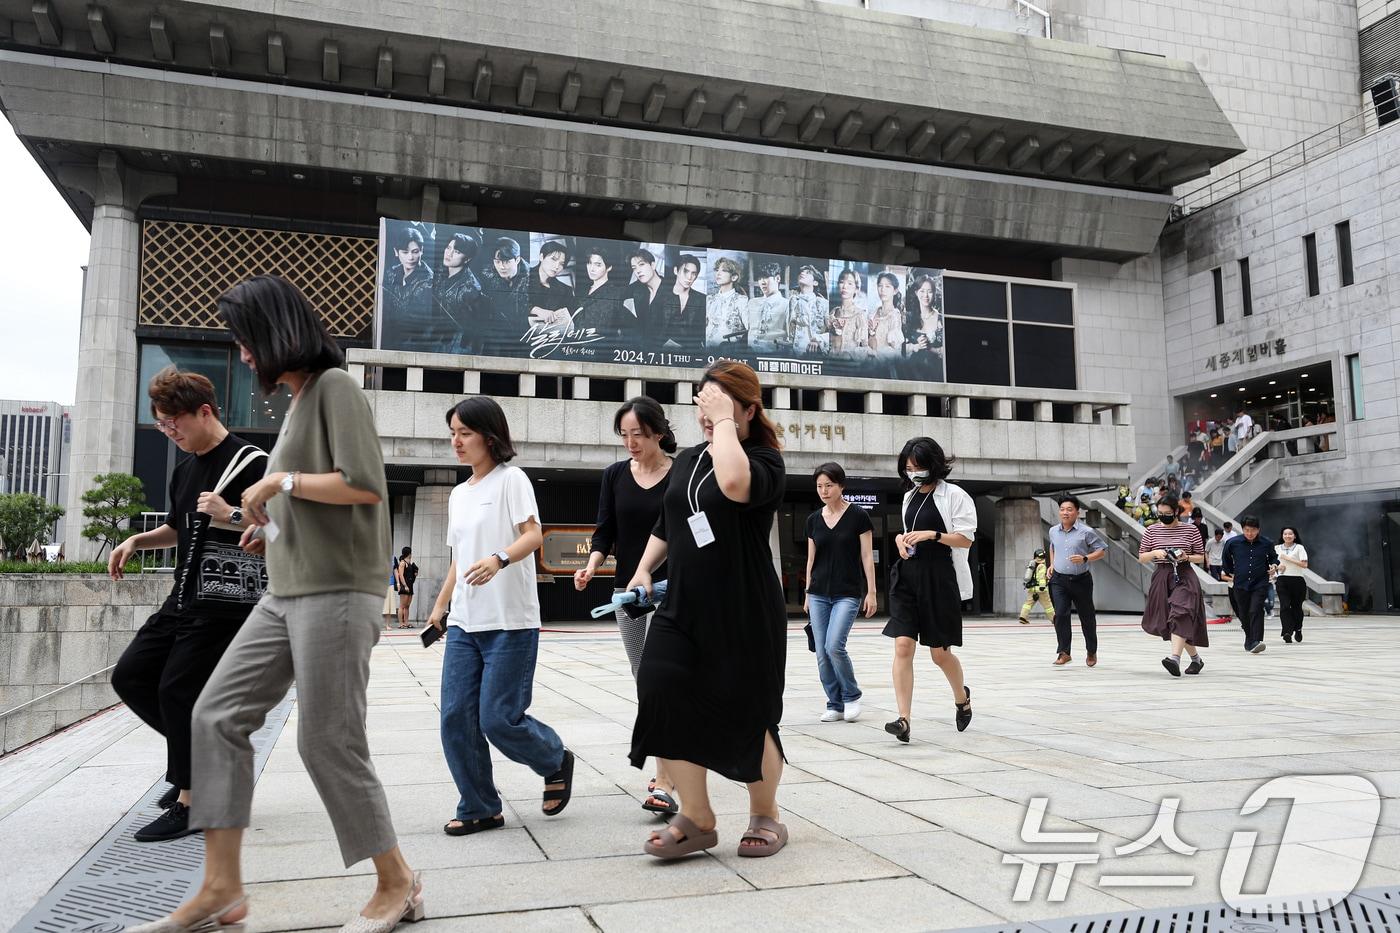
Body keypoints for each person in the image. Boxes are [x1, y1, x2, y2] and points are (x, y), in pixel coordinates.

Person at [134, 276, 421, 933]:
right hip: (286, 587)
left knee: (327, 741)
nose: (240, 354)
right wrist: (269, 524)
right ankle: (221, 888)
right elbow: (308, 501)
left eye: (243, 340)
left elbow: (363, 486)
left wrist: (278, 479)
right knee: (215, 715)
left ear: (274, 333)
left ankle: (397, 881)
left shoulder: (335, 389)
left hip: (338, 589)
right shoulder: (297, 402)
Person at [626, 360, 789, 859]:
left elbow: (736, 485)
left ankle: (765, 813)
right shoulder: (692, 458)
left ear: (748, 408)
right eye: (702, 402)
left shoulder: (764, 458)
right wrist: (643, 568)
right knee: (660, 688)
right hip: (684, 602)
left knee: (748, 707)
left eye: (716, 402)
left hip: (743, 605)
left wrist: (723, 424)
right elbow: (670, 520)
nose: (704, 411)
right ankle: (697, 816)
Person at [108, 367, 267, 843]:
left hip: (227, 600)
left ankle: (192, 799)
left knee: (178, 691)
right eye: (160, 424)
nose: (168, 432)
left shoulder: (252, 462)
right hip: (183, 596)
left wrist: (231, 513)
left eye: (173, 422)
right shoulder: (183, 469)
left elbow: (283, 530)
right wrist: (138, 539)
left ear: (205, 411)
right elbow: (179, 528)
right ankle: (206, 765)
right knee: (132, 676)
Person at [426, 397, 573, 837]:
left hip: (510, 621)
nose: (456, 441)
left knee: (498, 718)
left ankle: (554, 759)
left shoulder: (512, 481)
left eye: (464, 433)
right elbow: (459, 558)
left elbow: (533, 536)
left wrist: (499, 559)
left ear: (490, 437)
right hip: (464, 624)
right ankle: (479, 806)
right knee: (455, 717)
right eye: (452, 432)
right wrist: (440, 604)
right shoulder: (457, 493)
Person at [574, 397, 678, 814]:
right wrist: (591, 564)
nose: (631, 442)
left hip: (672, 591)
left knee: (659, 678)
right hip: (627, 594)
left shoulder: (680, 474)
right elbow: (606, 531)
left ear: (658, 432)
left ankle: (665, 778)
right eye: (624, 435)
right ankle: (674, 758)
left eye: (638, 434)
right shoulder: (615, 475)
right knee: (643, 680)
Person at [883, 436, 976, 743]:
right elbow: (910, 534)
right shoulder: (910, 497)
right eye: (909, 467)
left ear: (934, 464)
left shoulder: (955, 495)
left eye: (918, 466)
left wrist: (934, 535)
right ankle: (904, 719)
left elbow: (965, 539)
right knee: (902, 646)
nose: (913, 472)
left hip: (940, 577)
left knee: (939, 654)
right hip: (908, 576)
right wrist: (902, 540)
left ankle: (962, 698)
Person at [803, 462, 877, 723]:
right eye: (820, 486)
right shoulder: (813, 520)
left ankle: (851, 695)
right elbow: (811, 559)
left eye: (829, 485)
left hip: (847, 592)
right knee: (821, 651)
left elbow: (867, 557)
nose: (823, 490)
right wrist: (806, 593)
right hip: (819, 593)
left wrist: (872, 592)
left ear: (841, 486)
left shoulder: (858, 516)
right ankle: (834, 703)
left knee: (835, 646)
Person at [1138, 494, 1209, 677]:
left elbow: (1200, 556)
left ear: (1177, 512)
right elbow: (1142, 557)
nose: (1163, 516)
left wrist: (1185, 556)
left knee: (1180, 612)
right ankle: (1196, 660)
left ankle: (1174, 659)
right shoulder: (1151, 530)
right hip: (1161, 576)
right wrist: (1156, 552)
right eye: (1160, 513)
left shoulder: (1191, 530)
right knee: (1172, 620)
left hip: (1184, 575)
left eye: (1168, 513)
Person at [1047, 496, 1107, 667]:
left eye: (1069, 509)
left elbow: (1101, 550)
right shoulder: (1053, 531)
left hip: (1081, 580)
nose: (1065, 512)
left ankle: (1091, 650)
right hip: (1058, 580)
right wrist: (1052, 564)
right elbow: (1052, 547)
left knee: (1086, 617)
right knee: (1061, 615)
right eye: (1062, 509)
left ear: (1077, 512)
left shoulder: (1086, 531)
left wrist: (1085, 558)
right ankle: (1064, 652)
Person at [1221, 515, 1279, 654]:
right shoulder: (1233, 542)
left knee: (1255, 609)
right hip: (1240, 583)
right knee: (1243, 612)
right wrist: (1231, 572)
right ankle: (1249, 638)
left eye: (1253, 530)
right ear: (1242, 529)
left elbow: (1273, 557)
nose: (1250, 533)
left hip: (1260, 582)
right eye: (1247, 530)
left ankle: (1257, 640)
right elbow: (1226, 558)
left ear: (1258, 529)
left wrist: (1274, 565)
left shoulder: (1266, 542)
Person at [477, 236, 530, 355]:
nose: (501, 266)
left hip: (524, 339)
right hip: (496, 337)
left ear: (517, 259)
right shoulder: (486, 275)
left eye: (506, 261)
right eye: (497, 261)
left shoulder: (533, 278)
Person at [433, 231, 482, 352]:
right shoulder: (439, 272)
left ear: (467, 259)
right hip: (436, 336)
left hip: (458, 345)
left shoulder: (471, 287)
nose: (449, 254)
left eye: (456, 251)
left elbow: (471, 328)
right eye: (448, 248)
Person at [381, 226, 433, 329]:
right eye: (405, 252)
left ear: (422, 251)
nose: (410, 257)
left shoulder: (429, 281)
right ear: (396, 252)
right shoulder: (391, 272)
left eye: (415, 252)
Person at [573, 244, 627, 338]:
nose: (592, 269)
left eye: (598, 265)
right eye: (589, 263)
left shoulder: (616, 293)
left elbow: (624, 327)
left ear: (609, 267)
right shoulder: (582, 291)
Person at [628, 248, 677, 342]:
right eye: (634, 268)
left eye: (641, 264)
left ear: (653, 265)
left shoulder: (672, 290)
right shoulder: (636, 290)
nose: (638, 271)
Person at [526, 239, 575, 329]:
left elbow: (572, 321)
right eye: (553, 259)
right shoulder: (522, 277)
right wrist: (536, 310)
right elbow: (509, 303)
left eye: (561, 264)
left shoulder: (566, 290)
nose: (557, 266)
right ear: (541, 257)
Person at [901, 273, 944, 377]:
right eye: (922, 291)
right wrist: (916, 346)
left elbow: (947, 352)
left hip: (935, 373)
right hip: (911, 373)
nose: (926, 296)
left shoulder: (941, 319)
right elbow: (899, 349)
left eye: (929, 292)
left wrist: (930, 348)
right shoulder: (909, 318)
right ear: (916, 292)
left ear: (934, 293)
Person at [1275, 526, 1309, 643]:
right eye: (1285, 534)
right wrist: (1277, 567)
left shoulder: (1299, 548)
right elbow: (1271, 564)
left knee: (1296, 607)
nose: (1287, 536)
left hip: (1297, 581)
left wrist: (1287, 559)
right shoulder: (1276, 548)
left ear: (1295, 536)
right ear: (1282, 536)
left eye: (1290, 534)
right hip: (1282, 580)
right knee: (1284, 606)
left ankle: (1298, 629)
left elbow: (1304, 565)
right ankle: (1287, 632)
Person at [705, 256, 749, 346]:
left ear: (734, 277)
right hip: (707, 350)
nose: (718, 273)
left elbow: (749, 329)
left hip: (730, 352)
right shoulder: (709, 300)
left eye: (724, 270)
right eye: (717, 270)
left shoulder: (742, 300)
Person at [666, 254, 706, 351]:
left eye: (694, 273)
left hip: (693, 353)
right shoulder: (661, 295)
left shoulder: (702, 299)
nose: (689, 277)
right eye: (686, 271)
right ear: (676, 270)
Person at [747, 262, 789, 352]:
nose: (762, 282)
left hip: (774, 355)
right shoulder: (752, 303)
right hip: (749, 354)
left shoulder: (787, 304)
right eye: (760, 278)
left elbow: (791, 335)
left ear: (777, 278)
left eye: (766, 277)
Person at [787, 264, 829, 354]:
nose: (802, 273)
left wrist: (819, 339)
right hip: (792, 354)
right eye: (802, 272)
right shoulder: (792, 301)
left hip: (813, 354)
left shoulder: (823, 303)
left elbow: (833, 333)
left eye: (808, 273)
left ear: (815, 283)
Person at [828, 268, 869, 357]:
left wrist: (850, 355)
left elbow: (865, 346)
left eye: (850, 283)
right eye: (842, 282)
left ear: (856, 289)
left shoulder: (860, 315)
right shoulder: (833, 313)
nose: (844, 286)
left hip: (850, 364)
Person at [866, 272, 905, 361]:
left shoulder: (895, 315)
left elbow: (894, 350)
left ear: (895, 290)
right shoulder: (873, 313)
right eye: (880, 286)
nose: (883, 290)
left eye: (887, 286)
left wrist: (874, 352)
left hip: (884, 364)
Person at [1018, 548, 1054, 626]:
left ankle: (1023, 617)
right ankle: (1054, 619)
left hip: (1032, 588)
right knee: (1048, 605)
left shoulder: (1033, 564)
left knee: (1028, 603)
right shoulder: (1042, 566)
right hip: (1041, 590)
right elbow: (1041, 577)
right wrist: (1042, 586)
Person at [395, 546, 418, 629]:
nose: (411, 554)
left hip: (410, 585)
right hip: (405, 586)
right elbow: (400, 575)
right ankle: (401, 623)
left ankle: (406, 622)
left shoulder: (409, 563)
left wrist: (415, 573)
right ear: (408, 553)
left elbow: (410, 575)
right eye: (411, 552)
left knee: (407, 606)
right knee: (402, 605)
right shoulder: (402, 563)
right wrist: (405, 585)